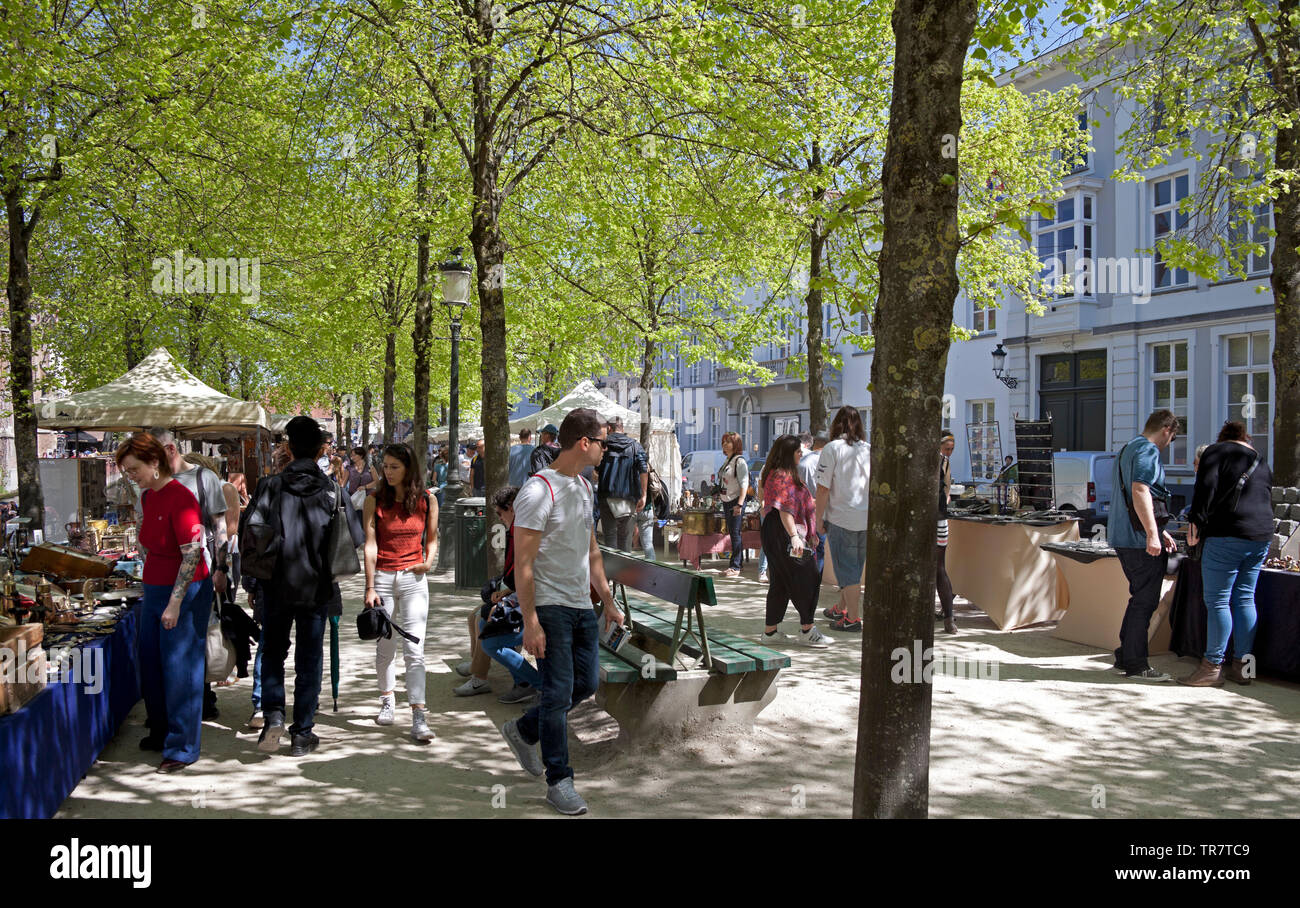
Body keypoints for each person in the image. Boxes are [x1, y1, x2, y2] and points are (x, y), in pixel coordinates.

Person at [499, 408, 624, 816]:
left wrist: (607, 600)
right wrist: (531, 621)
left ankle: (522, 730)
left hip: (580, 607)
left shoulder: (585, 487)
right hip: (550, 607)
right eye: (603, 442)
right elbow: (524, 565)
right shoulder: (537, 491)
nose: (607, 449)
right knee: (556, 694)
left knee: (584, 686)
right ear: (584, 442)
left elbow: (591, 551)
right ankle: (560, 780)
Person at [248, 417, 362, 756]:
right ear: (321, 450)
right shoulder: (331, 490)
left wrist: (252, 581)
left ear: (287, 447)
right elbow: (352, 539)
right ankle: (303, 733)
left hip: (275, 585)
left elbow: (252, 535)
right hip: (316, 588)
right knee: (309, 659)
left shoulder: (269, 487)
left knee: (272, 652)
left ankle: (272, 717)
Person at [117, 433, 212, 772]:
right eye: (127, 471)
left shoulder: (182, 498)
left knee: (180, 667)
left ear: (154, 463)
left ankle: (183, 746)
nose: (131, 475)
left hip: (183, 591)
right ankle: (161, 730)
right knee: (152, 663)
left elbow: (192, 555)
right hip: (155, 588)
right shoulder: (148, 496)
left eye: (134, 469)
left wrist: (174, 603)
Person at [141, 429, 229, 721]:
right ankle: (165, 719)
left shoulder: (204, 479)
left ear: (169, 450)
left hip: (197, 578)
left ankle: (202, 700)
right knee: (166, 655)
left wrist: (221, 568)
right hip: (162, 579)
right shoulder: (150, 490)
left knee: (193, 647)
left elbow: (220, 528)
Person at [1180, 421, 1273, 687]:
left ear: (1222, 439)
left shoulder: (1216, 452)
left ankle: (1211, 667)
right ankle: (1243, 668)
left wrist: (1195, 523)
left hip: (1227, 534)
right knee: (1245, 599)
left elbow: (1204, 488)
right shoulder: (1260, 460)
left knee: (1218, 601)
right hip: (1261, 536)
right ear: (1246, 439)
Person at [363, 443, 439, 743]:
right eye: (386, 466)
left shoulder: (426, 499)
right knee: (386, 646)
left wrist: (428, 561)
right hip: (382, 577)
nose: (389, 471)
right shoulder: (375, 500)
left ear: (409, 468)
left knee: (415, 649)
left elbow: (432, 539)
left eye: (395, 466)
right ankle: (387, 697)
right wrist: (369, 586)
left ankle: (419, 714)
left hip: (413, 578)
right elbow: (370, 545)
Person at [1109, 409, 1180, 682]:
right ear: (1166, 430)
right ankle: (1137, 664)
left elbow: (1133, 493)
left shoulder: (1129, 448)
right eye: (1172, 437)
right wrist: (1153, 533)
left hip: (1125, 536)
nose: (1169, 443)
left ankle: (1125, 654)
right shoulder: (1149, 451)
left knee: (1139, 598)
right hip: (1138, 540)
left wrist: (1158, 531)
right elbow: (1140, 490)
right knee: (1145, 601)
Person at [455, 487, 541, 703]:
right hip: (521, 598)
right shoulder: (517, 531)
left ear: (511, 508)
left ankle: (535, 683)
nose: (500, 519)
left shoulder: (526, 532)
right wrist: (506, 593)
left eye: (501, 514)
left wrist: (507, 595)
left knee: (486, 624)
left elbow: (530, 575)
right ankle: (520, 681)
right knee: (480, 618)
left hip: (537, 608)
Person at [758, 434, 832, 647]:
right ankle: (807, 630)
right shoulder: (782, 475)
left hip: (778, 533)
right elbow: (785, 510)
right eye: (798, 451)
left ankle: (770, 632)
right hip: (785, 535)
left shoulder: (779, 472)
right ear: (788, 454)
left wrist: (811, 533)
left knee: (780, 582)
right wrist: (795, 537)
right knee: (808, 577)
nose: (802, 454)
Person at [816, 408, 871, 632]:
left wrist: (818, 518)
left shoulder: (832, 449)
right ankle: (841, 608)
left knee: (847, 572)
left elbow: (822, 488)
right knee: (854, 569)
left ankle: (852, 620)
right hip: (865, 517)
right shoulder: (868, 449)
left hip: (841, 517)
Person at [596, 416, 649, 554]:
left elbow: (594, 470)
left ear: (609, 428)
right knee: (625, 541)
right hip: (628, 497)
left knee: (610, 539)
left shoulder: (603, 444)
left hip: (606, 496)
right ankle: (624, 573)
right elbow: (644, 470)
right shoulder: (635, 446)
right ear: (622, 428)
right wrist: (644, 495)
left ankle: (610, 574)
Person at [717, 432, 749, 579]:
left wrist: (740, 504)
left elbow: (744, 484)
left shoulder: (739, 461)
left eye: (728, 442)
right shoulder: (728, 460)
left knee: (735, 534)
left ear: (735, 444)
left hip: (736, 501)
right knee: (733, 533)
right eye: (723, 442)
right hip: (726, 500)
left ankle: (735, 566)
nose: (725, 444)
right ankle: (737, 562)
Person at [936, 433, 958, 635]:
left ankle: (949, 617)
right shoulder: (943, 462)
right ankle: (948, 619)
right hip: (941, 518)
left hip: (935, 518)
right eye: (947, 448)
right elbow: (948, 492)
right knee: (939, 568)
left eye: (951, 449)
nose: (949, 452)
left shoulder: (942, 461)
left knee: (937, 568)